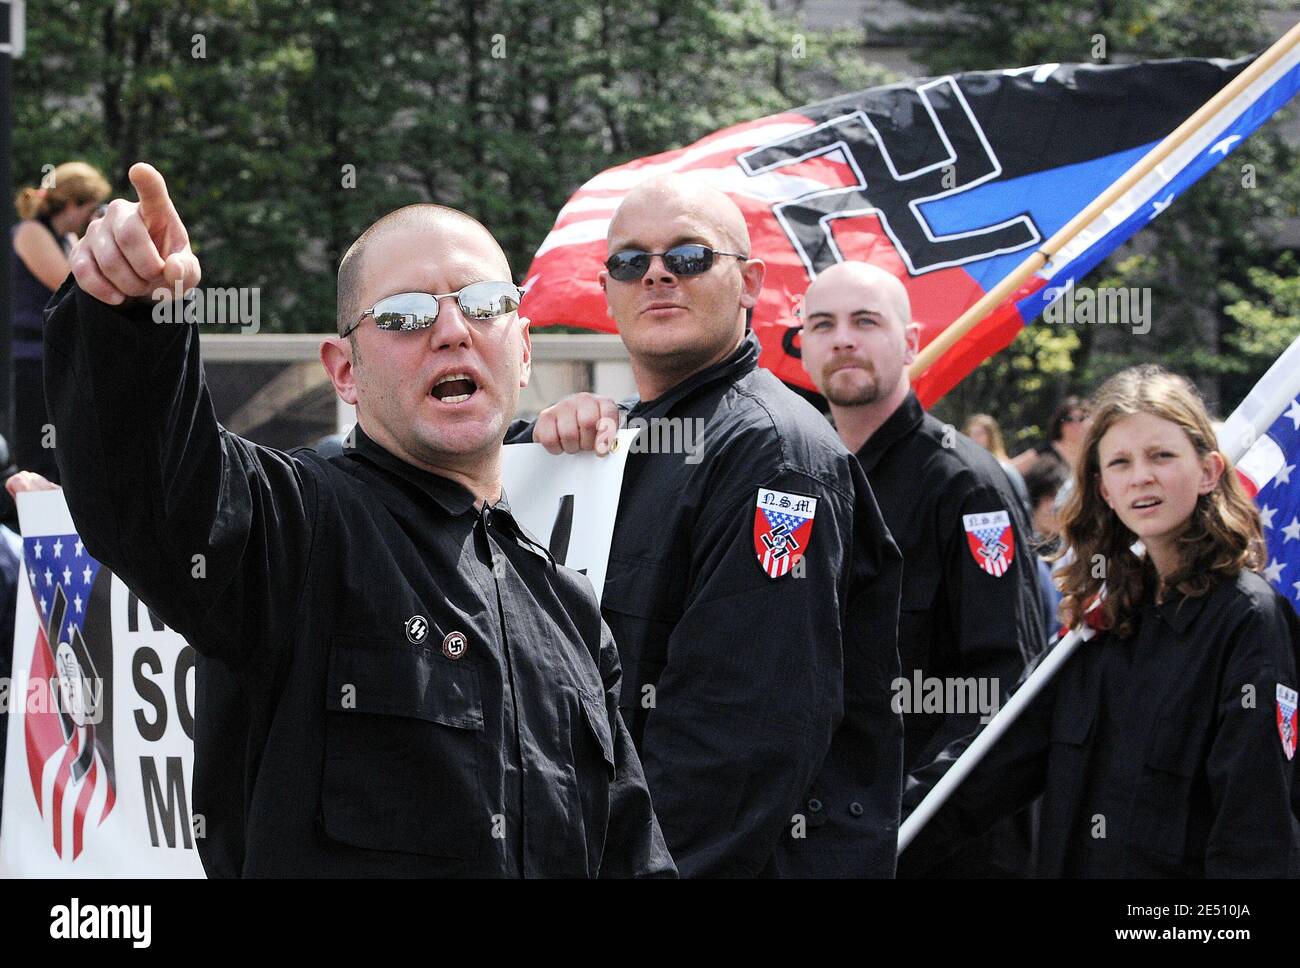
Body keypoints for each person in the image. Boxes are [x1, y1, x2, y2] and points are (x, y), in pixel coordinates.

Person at [44, 162, 674, 878]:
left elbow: (631, 854)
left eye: (486, 303)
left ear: (523, 350)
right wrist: (130, 314)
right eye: (405, 314)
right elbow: (155, 499)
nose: (451, 330)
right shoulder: (298, 527)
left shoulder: (569, 612)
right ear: (343, 370)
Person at [510, 174, 904, 878]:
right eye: (630, 262)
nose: (657, 273)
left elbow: (739, 739)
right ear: (608, 293)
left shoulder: (775, 454)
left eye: (689, 256)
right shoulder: (615, 446)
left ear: (750, 282)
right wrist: (541, 456)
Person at [903, 365, 1300, 877]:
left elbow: (1255, 837)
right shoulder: (1101, 617)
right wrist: (869, 847)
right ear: (1104, 489)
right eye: (1120, 462)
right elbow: (984, 770)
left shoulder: (1248, 620)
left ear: (1208, 471)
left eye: (1162, 455)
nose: (1141, 476)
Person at [798, 260, 1046, 878]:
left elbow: (1006, 690)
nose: (844, 338)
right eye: (823, 324)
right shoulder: (795, 477)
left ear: (910, 343)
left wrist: (903, 819)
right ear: (802, 346)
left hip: (931, 844)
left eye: (866, 321)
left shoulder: (967, 487)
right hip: (815, 834)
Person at [10, 162, 110, 483]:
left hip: (55, 360)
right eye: (90, 209)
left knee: (63, 458)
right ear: (71, 204)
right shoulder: (30, 233)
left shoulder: (64, 236)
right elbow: (72, 285)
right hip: (29, 362)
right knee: (37, 459)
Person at [964, 413, 1029, 514]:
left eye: (979, 434)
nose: (974, 439)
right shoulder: (967, 465)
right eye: (971, 434)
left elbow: (1021, 501)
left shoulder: (1003, 466)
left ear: (990, 436)